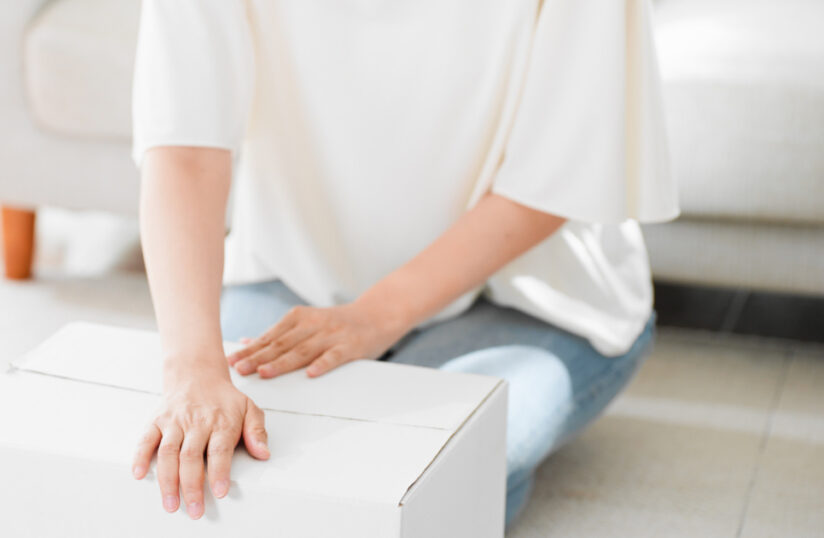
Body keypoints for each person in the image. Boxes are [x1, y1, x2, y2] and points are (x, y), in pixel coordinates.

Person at [128, 0, 679, 526]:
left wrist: (375, 317)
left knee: (412, 479)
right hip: (295, 277)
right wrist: (193, 370)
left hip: (533, 300)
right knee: (215, 466)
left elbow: (557, 179)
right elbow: (186, 153)